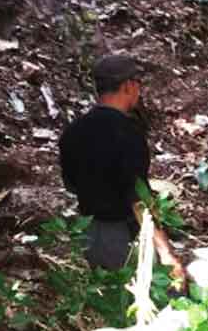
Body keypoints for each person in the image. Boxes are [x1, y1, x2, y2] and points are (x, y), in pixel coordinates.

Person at [58, 53, 185, 283]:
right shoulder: (127, 134)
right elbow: (138, 198)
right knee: (142, 298)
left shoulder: (72, 132)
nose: (139, 91)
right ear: (128, 86)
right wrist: (166, 252)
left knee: (105, 298)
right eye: (138, 84)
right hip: (122, 237)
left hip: (87, 234)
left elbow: (71, 184)